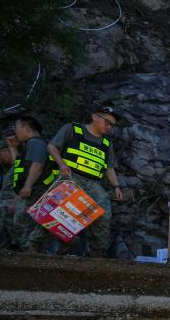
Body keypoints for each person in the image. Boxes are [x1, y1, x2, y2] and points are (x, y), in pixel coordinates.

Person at [28, 104, 126, 256]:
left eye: (112, 125)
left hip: (94, 184)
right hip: (70, 177)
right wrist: (61, 164)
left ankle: (98, 253)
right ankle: (35, 245)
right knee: (56, 212)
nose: (109, 127)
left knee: (103, 214)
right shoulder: (73, 129)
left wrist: (116, 186)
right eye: (107, 122)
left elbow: (109, 167)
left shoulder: (107, 143)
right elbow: (52, 147)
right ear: (94, 116)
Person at [0, 116, 57, 250]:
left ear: (26, 127)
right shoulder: (30, 145)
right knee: (21, 223)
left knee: (22, 223)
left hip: (36, 191)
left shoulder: (36, 143)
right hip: (33, 191)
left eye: (17, 127)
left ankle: (34, 253)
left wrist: (27, 186)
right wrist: (12, 147)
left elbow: (38, 164)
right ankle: (32, 252)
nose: (15, 131)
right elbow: (19, 166)